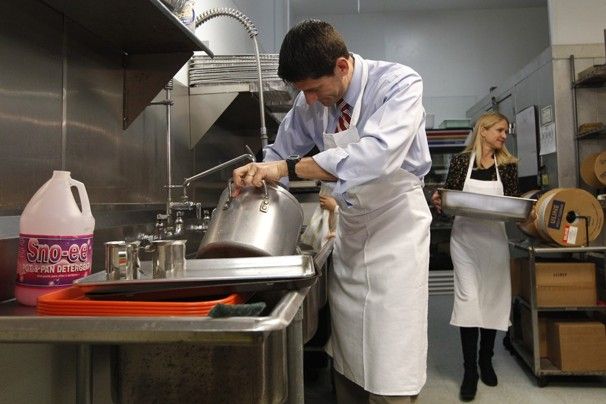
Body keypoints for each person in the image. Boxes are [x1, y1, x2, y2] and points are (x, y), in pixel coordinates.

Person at [231, 19, 432, 404]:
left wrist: (288, 169)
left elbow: (376, 156)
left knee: (392, 348)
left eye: (313, 89)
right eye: (301, 90)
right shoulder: (311, 102)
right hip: (352, 230)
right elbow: (279, 153)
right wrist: (258, 172)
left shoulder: (398, 84)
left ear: (342, 66)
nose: (307, 99)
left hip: (397, 227)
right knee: (350, 348)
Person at [431, 112, 519, 401]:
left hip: (494, 240)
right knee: (468, 301)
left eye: (506, 131)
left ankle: (486, 360)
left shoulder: (507, 165)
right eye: (499, 130)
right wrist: (439, 201)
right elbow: (450, 201)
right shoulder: (460, 162)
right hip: (465, 241)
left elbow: (512, 203)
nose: (504, 135)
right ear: (483, 131)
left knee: (493, 300)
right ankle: (470, 371)